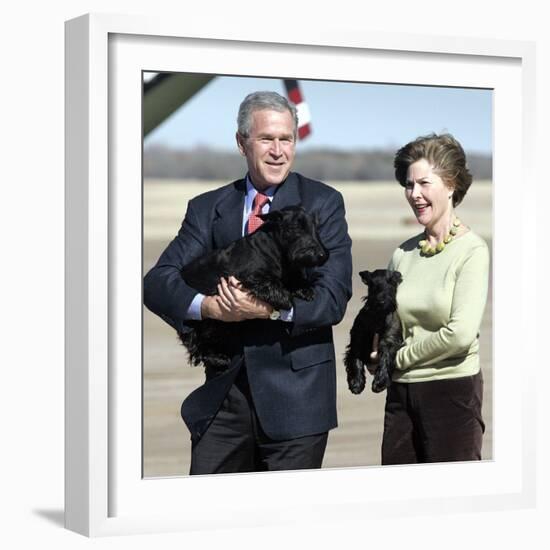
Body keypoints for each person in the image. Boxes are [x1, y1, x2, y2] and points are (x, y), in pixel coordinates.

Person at [143, 91, 352, 475]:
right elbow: (157, 283)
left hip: (297, 406)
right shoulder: (207, 208)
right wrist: (209, 307)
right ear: (242, 143)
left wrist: (269, 308)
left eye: (286, 139)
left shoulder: (323, 203)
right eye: (266, 139)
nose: (277, 151)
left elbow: (333, 298)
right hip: (223, 401)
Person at [371, 133, 489, 464]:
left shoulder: (472, 251)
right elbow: (389, 323)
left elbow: (460, 335)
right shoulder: (402, 254)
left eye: (424, 183)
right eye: (409, 185)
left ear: (451, 186)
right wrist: (374, 353)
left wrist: (396, 360)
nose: (415, 194)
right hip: (400, 397)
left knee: (453, 505)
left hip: (451, 394)